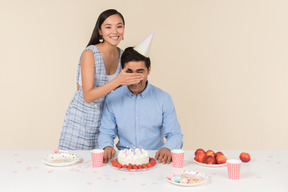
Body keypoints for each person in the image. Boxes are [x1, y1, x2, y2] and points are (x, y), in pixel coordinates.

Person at [58, 9, 144, 150]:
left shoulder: (122, 55)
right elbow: (88, 96)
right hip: (80, 122)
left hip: (104, 125)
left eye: (119, 26)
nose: (114, 31)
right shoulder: (90, 53)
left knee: (98, 168)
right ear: (100, 31)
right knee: (74, 166)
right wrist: (118, 81)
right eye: (108, 27)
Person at [98, 33, 183, 164]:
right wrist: (107, 146)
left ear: (148, 70)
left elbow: (175, 134)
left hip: (156, 160)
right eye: (129, 72)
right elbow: (105, 132)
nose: (134, 78)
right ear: (122, 71)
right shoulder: (112, 98)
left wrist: (168, 148)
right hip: (123, 161)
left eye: (140, 71)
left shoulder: (164, 98)